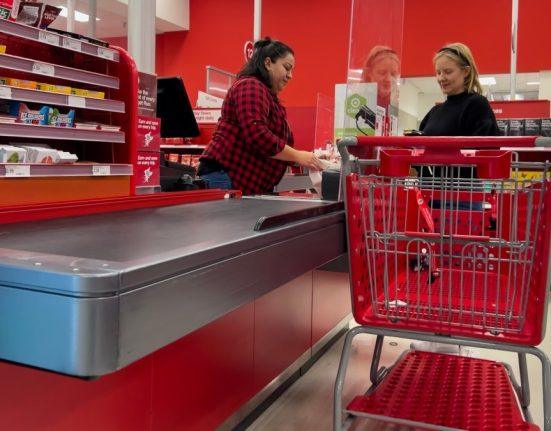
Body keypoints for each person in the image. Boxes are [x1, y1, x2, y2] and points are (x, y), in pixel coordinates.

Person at [198, 37, 324, 195]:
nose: (290, 75)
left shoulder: (267, 95)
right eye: (287, 68)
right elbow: (257, 135)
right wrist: (298, 156)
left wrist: (307, 159)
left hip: (242, 182)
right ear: (268, 63)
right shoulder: (250, 85)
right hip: (226, 176)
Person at [419, 42, 499, 136]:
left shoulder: (477, 104)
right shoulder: (434, 111)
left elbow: (486, 143)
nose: (441, 78)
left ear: (466, 71)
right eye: (438, 73)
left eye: (448, 72)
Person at [361, 45, 400, 110]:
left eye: (393, 74)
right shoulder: (360, 101)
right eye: (382, 73)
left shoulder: (396, 103)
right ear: (369, 73)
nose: (388, 79)